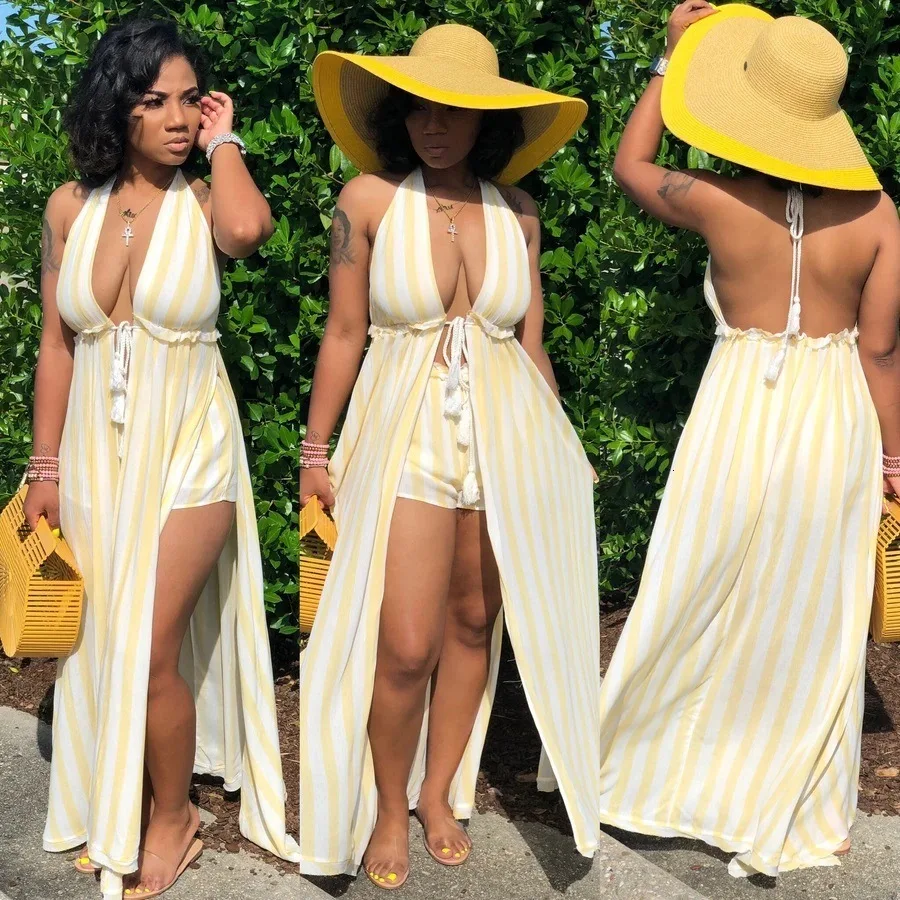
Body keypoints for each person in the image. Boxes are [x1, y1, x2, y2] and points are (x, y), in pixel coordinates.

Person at [600, 0, 900, 878]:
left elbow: (629, 165)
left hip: (736, 405)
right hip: (835, 415)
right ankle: (783, 790)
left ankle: (650, 765)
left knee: (694, 583)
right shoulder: (882, 216)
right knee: (811, 607)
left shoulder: (716, 199)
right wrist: (895, 459)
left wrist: (670, 59)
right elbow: (881, 352)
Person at [298, 22, 599, 889]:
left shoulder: (520, 212)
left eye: (455, 111)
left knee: (474, 621)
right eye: (420, 108)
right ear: (399, 114)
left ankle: (437, 792)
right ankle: (387, 804)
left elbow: (530, 346)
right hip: (405, 431)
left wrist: (563, 444)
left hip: (509, 438)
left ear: (485, 121)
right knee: (404, 643)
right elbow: (344, 330)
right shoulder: (366, 201)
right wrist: (315, 448)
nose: (435, 125)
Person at [25, 18, 300, 898]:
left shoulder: (208, 199)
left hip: (193, 444)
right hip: (96, 454)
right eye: (155, 101)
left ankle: (173, 814)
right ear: (119, 107)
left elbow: (250, 230)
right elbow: (57, 347)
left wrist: (227, 142)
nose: (177, 118)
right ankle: (115, 794)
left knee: (146, 646)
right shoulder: (70, 207)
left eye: (189, 99)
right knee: (102, 637)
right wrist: (42, 469)